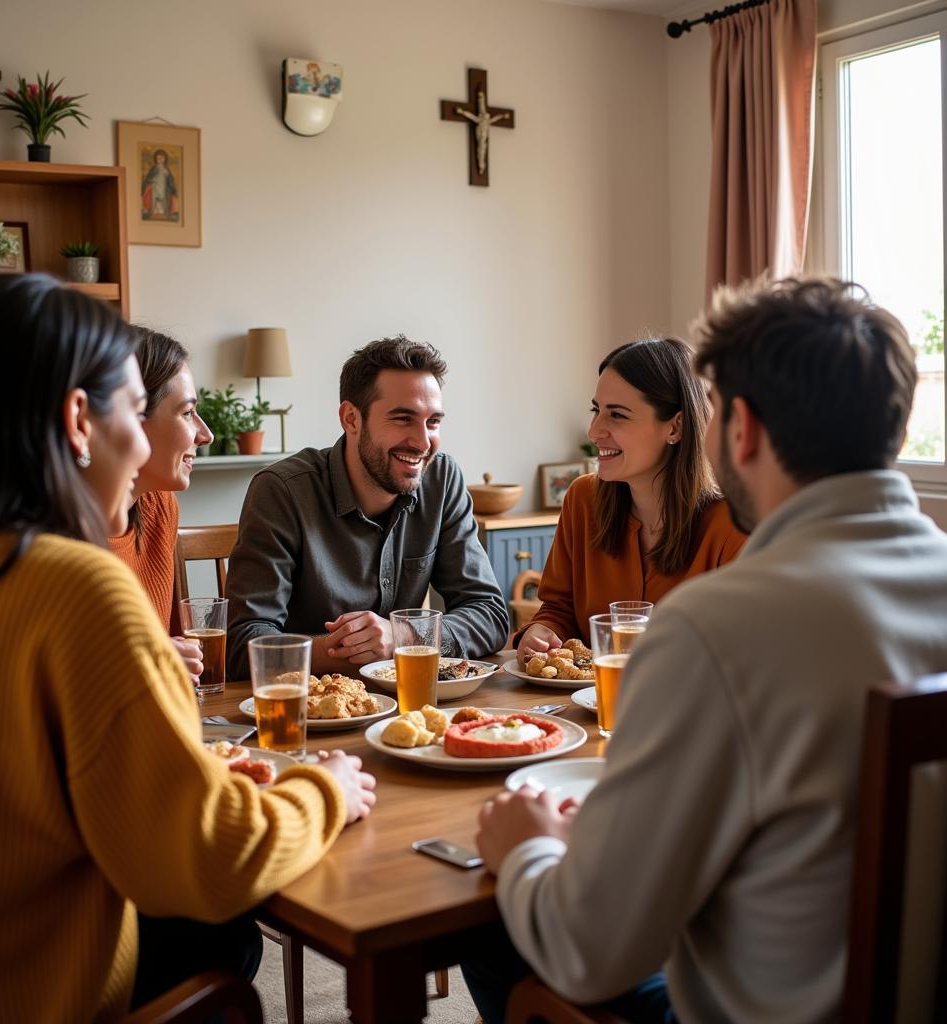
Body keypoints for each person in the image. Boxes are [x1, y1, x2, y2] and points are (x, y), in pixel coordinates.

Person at [463, 276, 947, 1024]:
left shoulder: (716, 629)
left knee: (497, 927)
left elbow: (588, 952)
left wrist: (528, 847)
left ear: (740, 428)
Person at [0, 274, 376, 1019]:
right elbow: (209, 861)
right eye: (137, 411)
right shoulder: (76, 587)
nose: (144, 445)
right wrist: (327, 788)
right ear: (78, 420)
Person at [226, 334, 510, 680]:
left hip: (413, 709)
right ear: (351, 419)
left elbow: (490, 614)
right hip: (311, 713)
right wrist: (347, 647)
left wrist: (403, 637)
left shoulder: (442, 479)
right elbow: (242, 645)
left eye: (433, 422)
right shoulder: (282, 491)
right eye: (403, 418)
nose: (423, 442)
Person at [517, 336, 745, 664]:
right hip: (585, 712)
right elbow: (559, 609)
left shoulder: (732, 525)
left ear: (675, 427)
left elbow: (739, 660)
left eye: (617, 415)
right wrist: (540, 632)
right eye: (596, 410)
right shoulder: (582, 501)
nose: (595, 431)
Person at [108, 326, 212, 681]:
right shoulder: (55, 536)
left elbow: (170, 649)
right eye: (186, 413)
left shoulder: (159, 506)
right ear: (130, 418)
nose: (205, 434)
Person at [142, 148, 178, 221]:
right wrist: (150, 182)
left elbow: (170, 180)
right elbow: (148, 178)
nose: (160, 159)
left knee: (163, 201)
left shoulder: (166, 170)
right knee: (155, 200)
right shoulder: (154, 169)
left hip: (164, 188)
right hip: (155, 187)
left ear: (165, 159)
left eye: (162, 158)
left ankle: (163, 214)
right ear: (155, 159)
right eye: (158, 158)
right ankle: (155, 214)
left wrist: (172, 188)